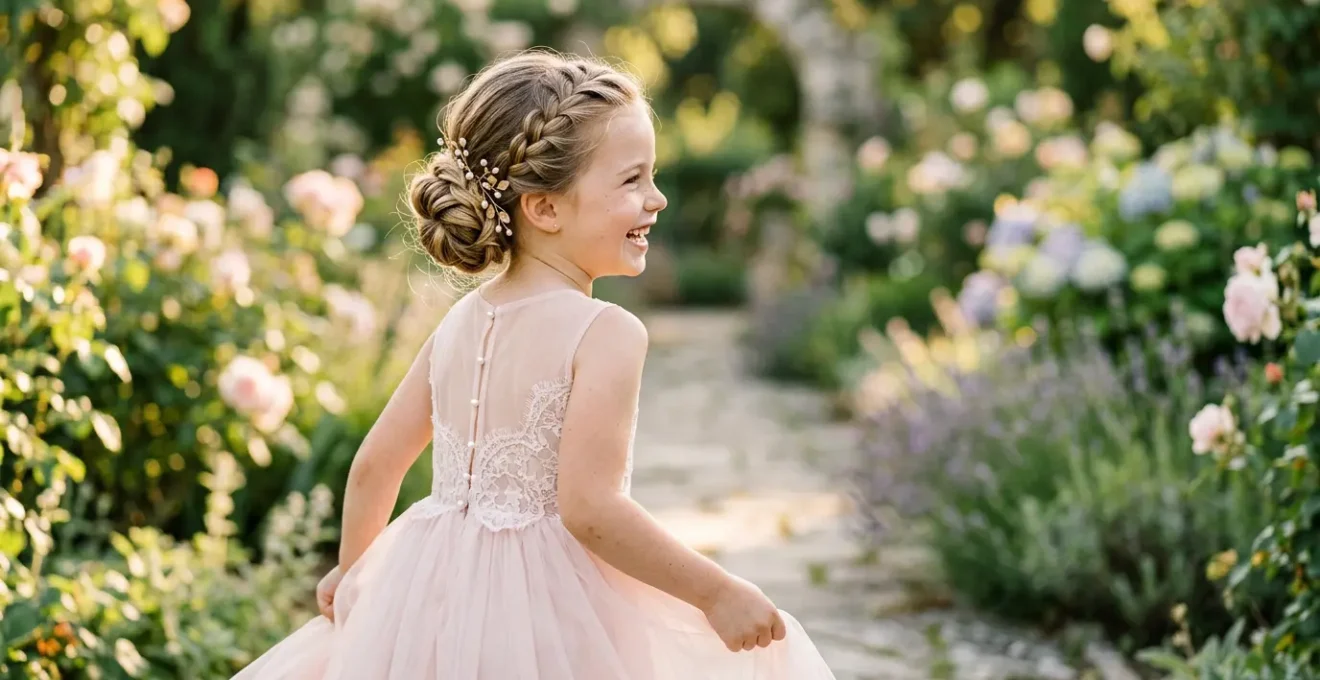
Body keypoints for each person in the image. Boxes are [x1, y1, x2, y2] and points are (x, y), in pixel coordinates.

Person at [233, 49, 837, 679]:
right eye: (632, 181)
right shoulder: (605, 332)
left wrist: (358, 579)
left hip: (430, 593)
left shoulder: (458, 324)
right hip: (551, 605)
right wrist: (716, 592)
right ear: (544, 209)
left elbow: (375, 465)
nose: (656, 199)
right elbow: (591, 510)